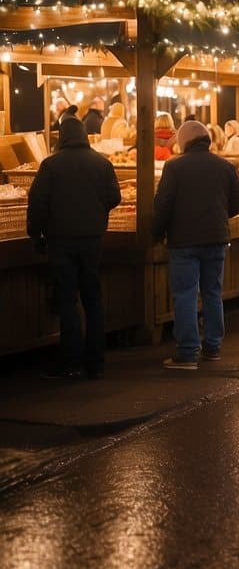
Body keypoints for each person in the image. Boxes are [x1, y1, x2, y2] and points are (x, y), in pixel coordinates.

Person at [26, 115, 121, 379]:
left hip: (61, 241)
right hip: (92, 240)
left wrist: (36, 233)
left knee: (67, 300)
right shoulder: (102, 163)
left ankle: (70, 363)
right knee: (93, 299)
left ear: (62, 136)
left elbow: (38, 203)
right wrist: (97, 211)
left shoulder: (50, 165)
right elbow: (115, 196)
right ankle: (96, 363)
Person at [153, 121, 239, 369]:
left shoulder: (174, 168)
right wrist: (220, 215)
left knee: (185, 294)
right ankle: (213, 346)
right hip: (216, 238)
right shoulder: (224, 166)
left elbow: (163, 205)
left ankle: (187, 352)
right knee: (213, 292)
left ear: (183, 141)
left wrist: (156, 234)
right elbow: (238, 200)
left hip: (184, 241)